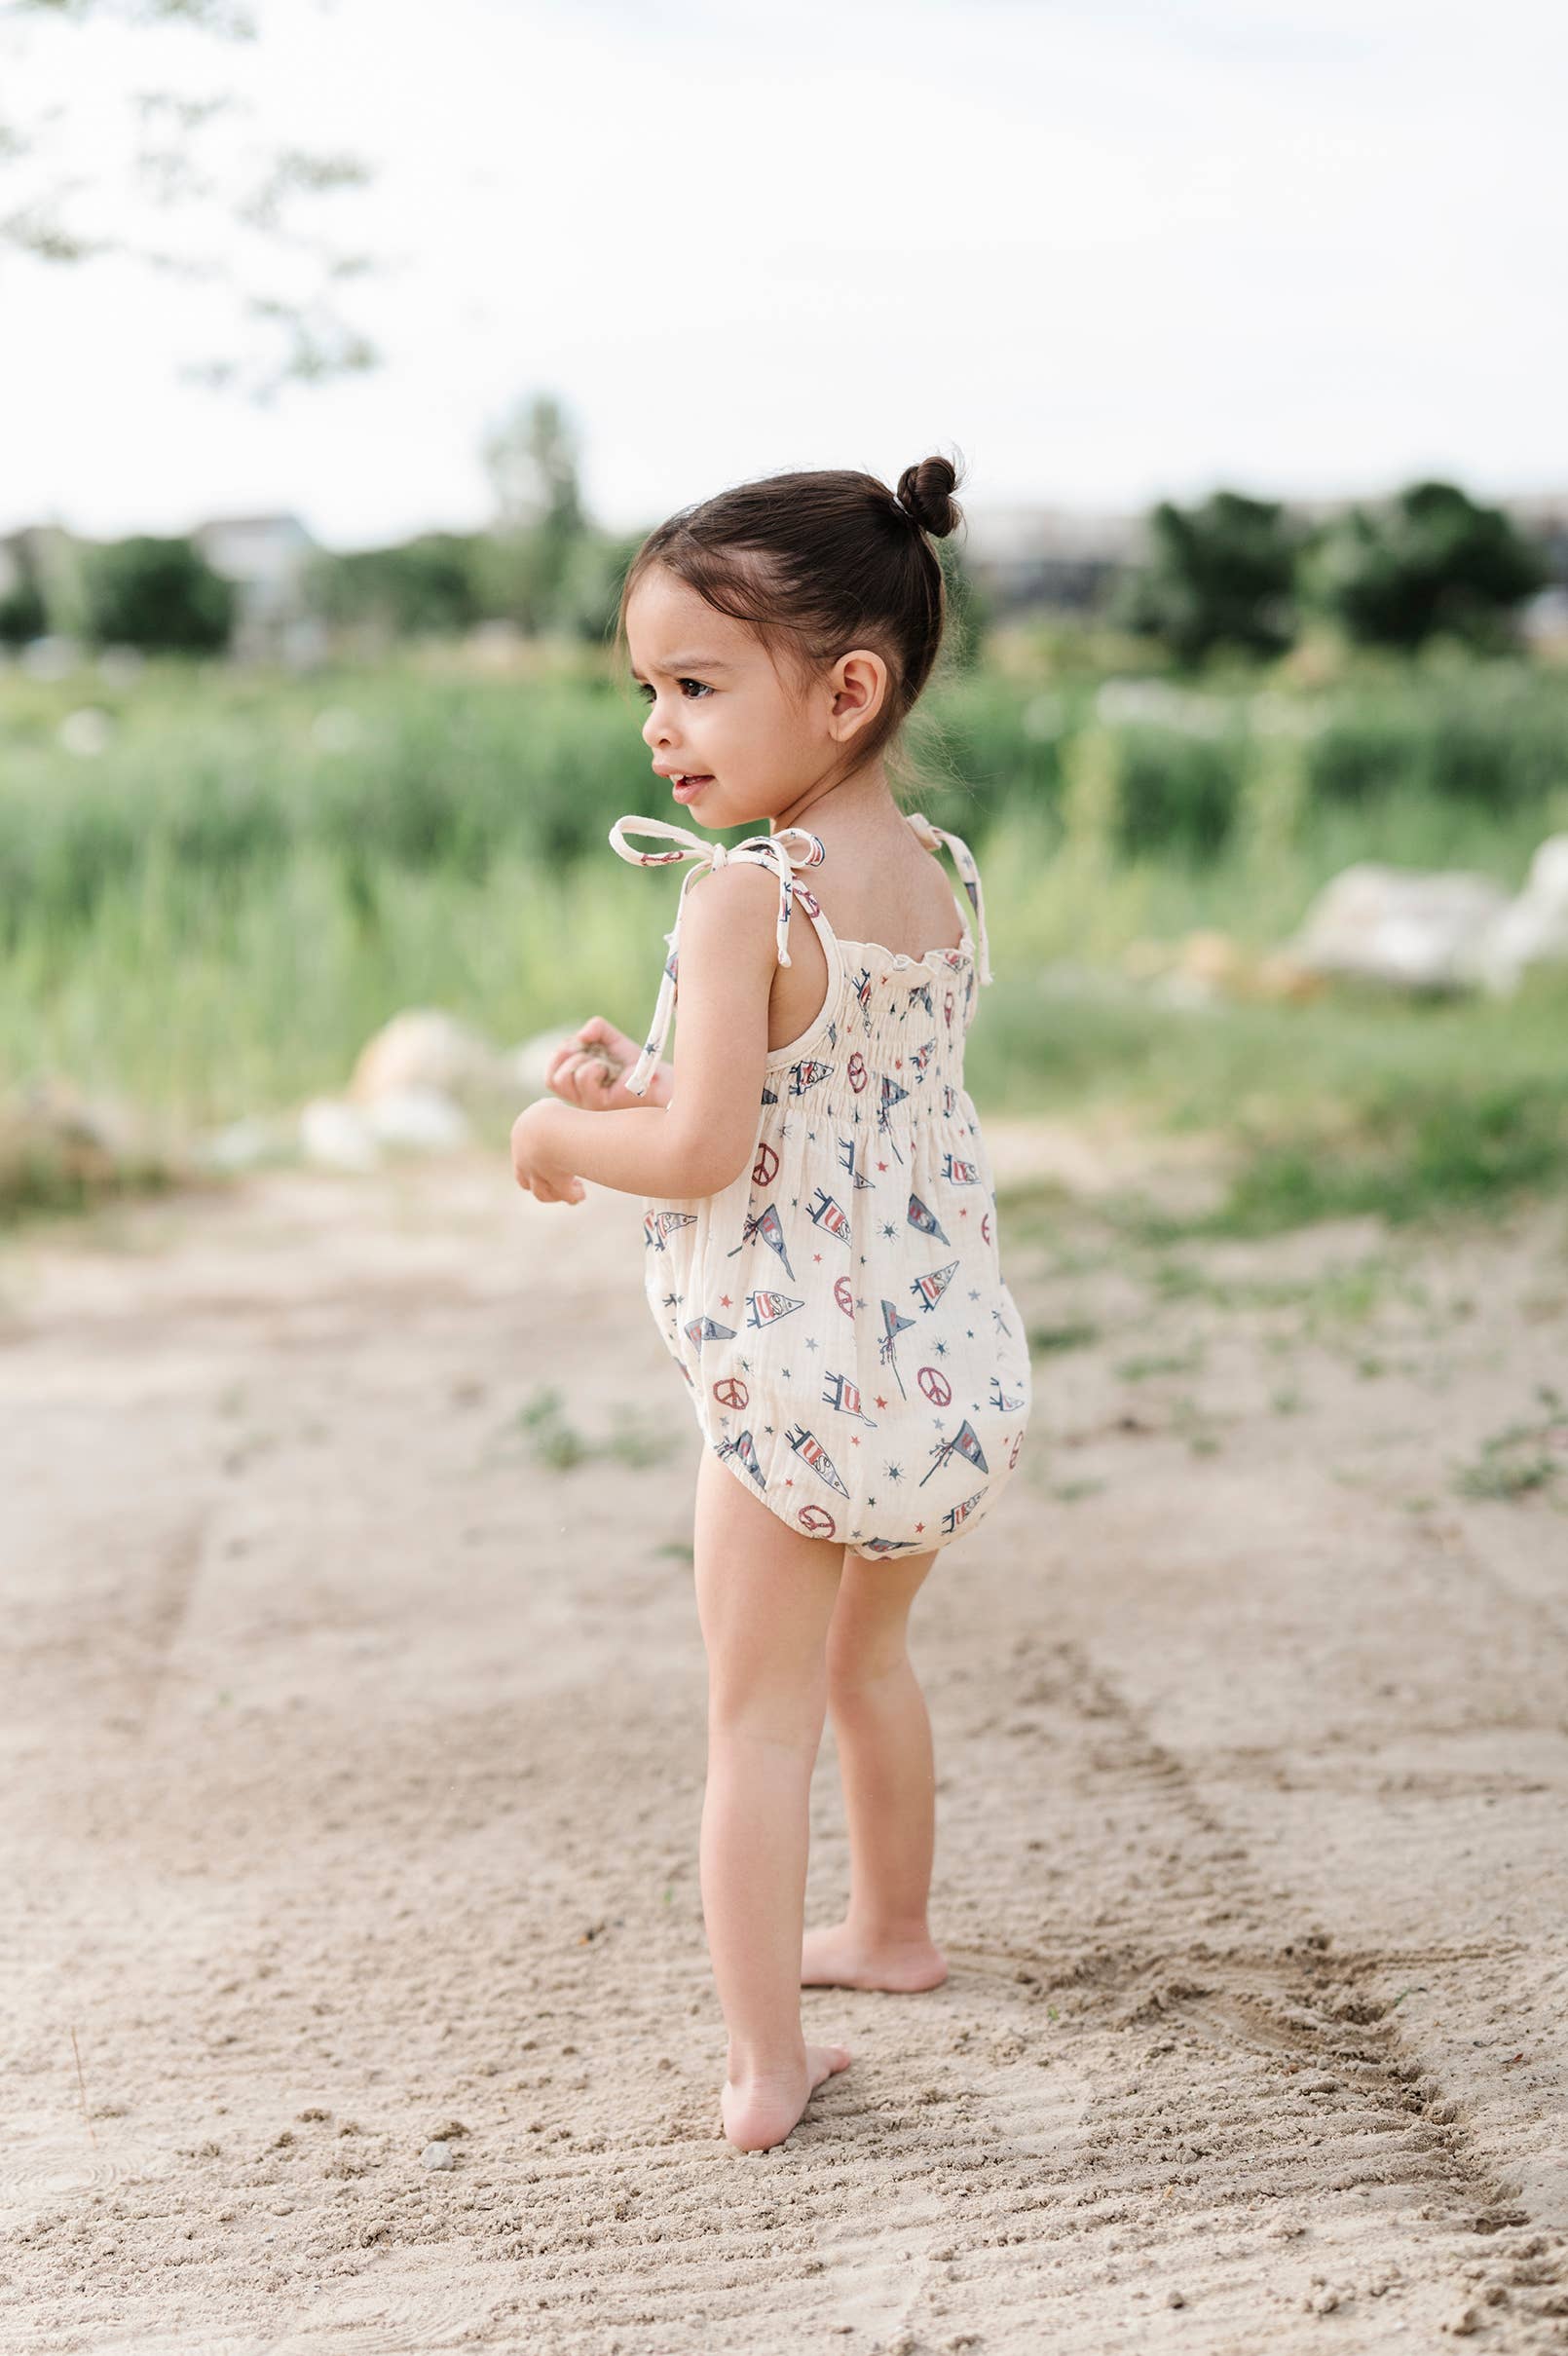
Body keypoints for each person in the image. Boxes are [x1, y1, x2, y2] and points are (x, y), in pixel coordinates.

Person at [510, 453, 1032, 2153]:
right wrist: (639, 1071)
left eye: (695, 685)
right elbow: (834, 1109)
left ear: (847, 689)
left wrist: (560, 1128)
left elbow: (708, 1148)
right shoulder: (933, 879)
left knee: (751, 1718)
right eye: (646, 691)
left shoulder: (741, 892)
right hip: (937, 1367)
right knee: (868, 1663)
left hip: (796, 1387)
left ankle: (765, 2066)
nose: (659, 729)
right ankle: (890, 1929)